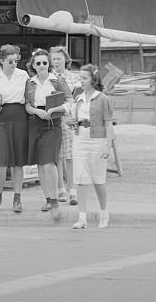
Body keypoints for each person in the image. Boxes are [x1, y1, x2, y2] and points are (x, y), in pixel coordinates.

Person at [0, 44, 29, 215]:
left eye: (16, 60)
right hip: (1, 117)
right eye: (10, 61)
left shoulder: (23, 75)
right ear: (1, 61)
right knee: (0, 161)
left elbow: (29, 97)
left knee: (17, 162)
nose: (14, 64)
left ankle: (17, 198)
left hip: (19, 116)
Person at [25, 48, 70, 220]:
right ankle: (48, 198)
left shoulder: (57, 80)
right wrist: (36, 112)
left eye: (45, 62)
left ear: (49, 64)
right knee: (40, 164)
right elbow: (27, 105)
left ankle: (55, 200)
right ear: (33, 66)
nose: (42, 65)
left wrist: (55, 109)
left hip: (53, 122)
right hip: (36, 122)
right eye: (39, 63)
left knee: (49, 162)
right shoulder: (30, 83)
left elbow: (69, 101)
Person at [69, 64, 115, 229]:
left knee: (98, 179)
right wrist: (71, 122)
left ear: (93, 79)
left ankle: (104, 213)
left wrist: (108, 145)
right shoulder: (78, 98)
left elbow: (108, 124)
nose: (81, 81)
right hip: (80, 139)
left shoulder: (103, 99)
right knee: (80, 179)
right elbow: (73, 119)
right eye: (80, 78)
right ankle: (82, 217)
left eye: (85, 78)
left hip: (97, 140)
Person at [50, 45, 78, 205]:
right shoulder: (49, 77)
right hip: (54, 119)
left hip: (69, 119)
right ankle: (60, 189)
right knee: (57, 156)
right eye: (53, 59)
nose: (56, 62)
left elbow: (77, 99)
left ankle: (72, 190)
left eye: (59, 59)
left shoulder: (74, 77)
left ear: (66, 60)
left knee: (70, 155)